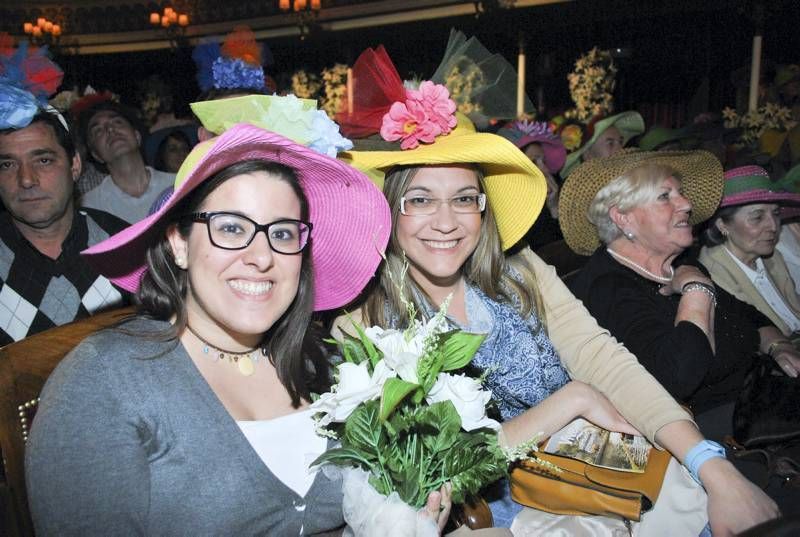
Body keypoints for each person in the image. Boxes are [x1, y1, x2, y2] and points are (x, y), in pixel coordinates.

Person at [334, 56, 778, 531]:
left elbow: (606, 362)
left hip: (602, 475)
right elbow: (420, 479)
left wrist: (712, 467)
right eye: (420, 199)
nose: (446, 221)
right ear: (389, 209)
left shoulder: (522, 271)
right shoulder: (363, 319)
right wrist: (569, 402)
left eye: (464, 198)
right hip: (497, 517)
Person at [24, 113, 414, 533]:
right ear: (178, 245)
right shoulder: (104, 380)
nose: (262, 256)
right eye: (230, 228)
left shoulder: (331, 366)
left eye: (282, 234)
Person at [562, 150, 800, 511]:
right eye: (665, 196)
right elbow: (678, 377)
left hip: (766, 406)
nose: (686, 204)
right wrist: (697, 290)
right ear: (622, 217)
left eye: (680, 193)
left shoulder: (678, 264)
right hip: (719, 441)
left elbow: (747, 315)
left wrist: (780, 346)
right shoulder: (609, 288)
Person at [0, 106, 129, 345]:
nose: (26, 179)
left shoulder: (124, 245)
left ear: (75, 166)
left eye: (44, 160)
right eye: (7, 165)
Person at [700, 165, 800, 339]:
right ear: (722, 225)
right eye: (757, 217)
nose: (774, 226)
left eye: (776, 214)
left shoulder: (771, 256)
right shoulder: (713, 274)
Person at [77, 101, 175, 224]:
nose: (110, 129)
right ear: (96, 155)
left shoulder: (176, 186)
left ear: (137, 136)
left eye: (117, 122)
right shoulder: (90, 207)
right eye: (98, 131)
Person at [496, 120, 566, 249]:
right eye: (534, 162)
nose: (544, 169)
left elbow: (563, 249)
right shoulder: (503, 215)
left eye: (543, 161)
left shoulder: (545, 201)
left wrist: (554, 208)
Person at [560, 111, 645, 177]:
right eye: (610, 143)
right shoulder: (580, 195)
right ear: (587, 155)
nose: (620, 149)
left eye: (620, 142)